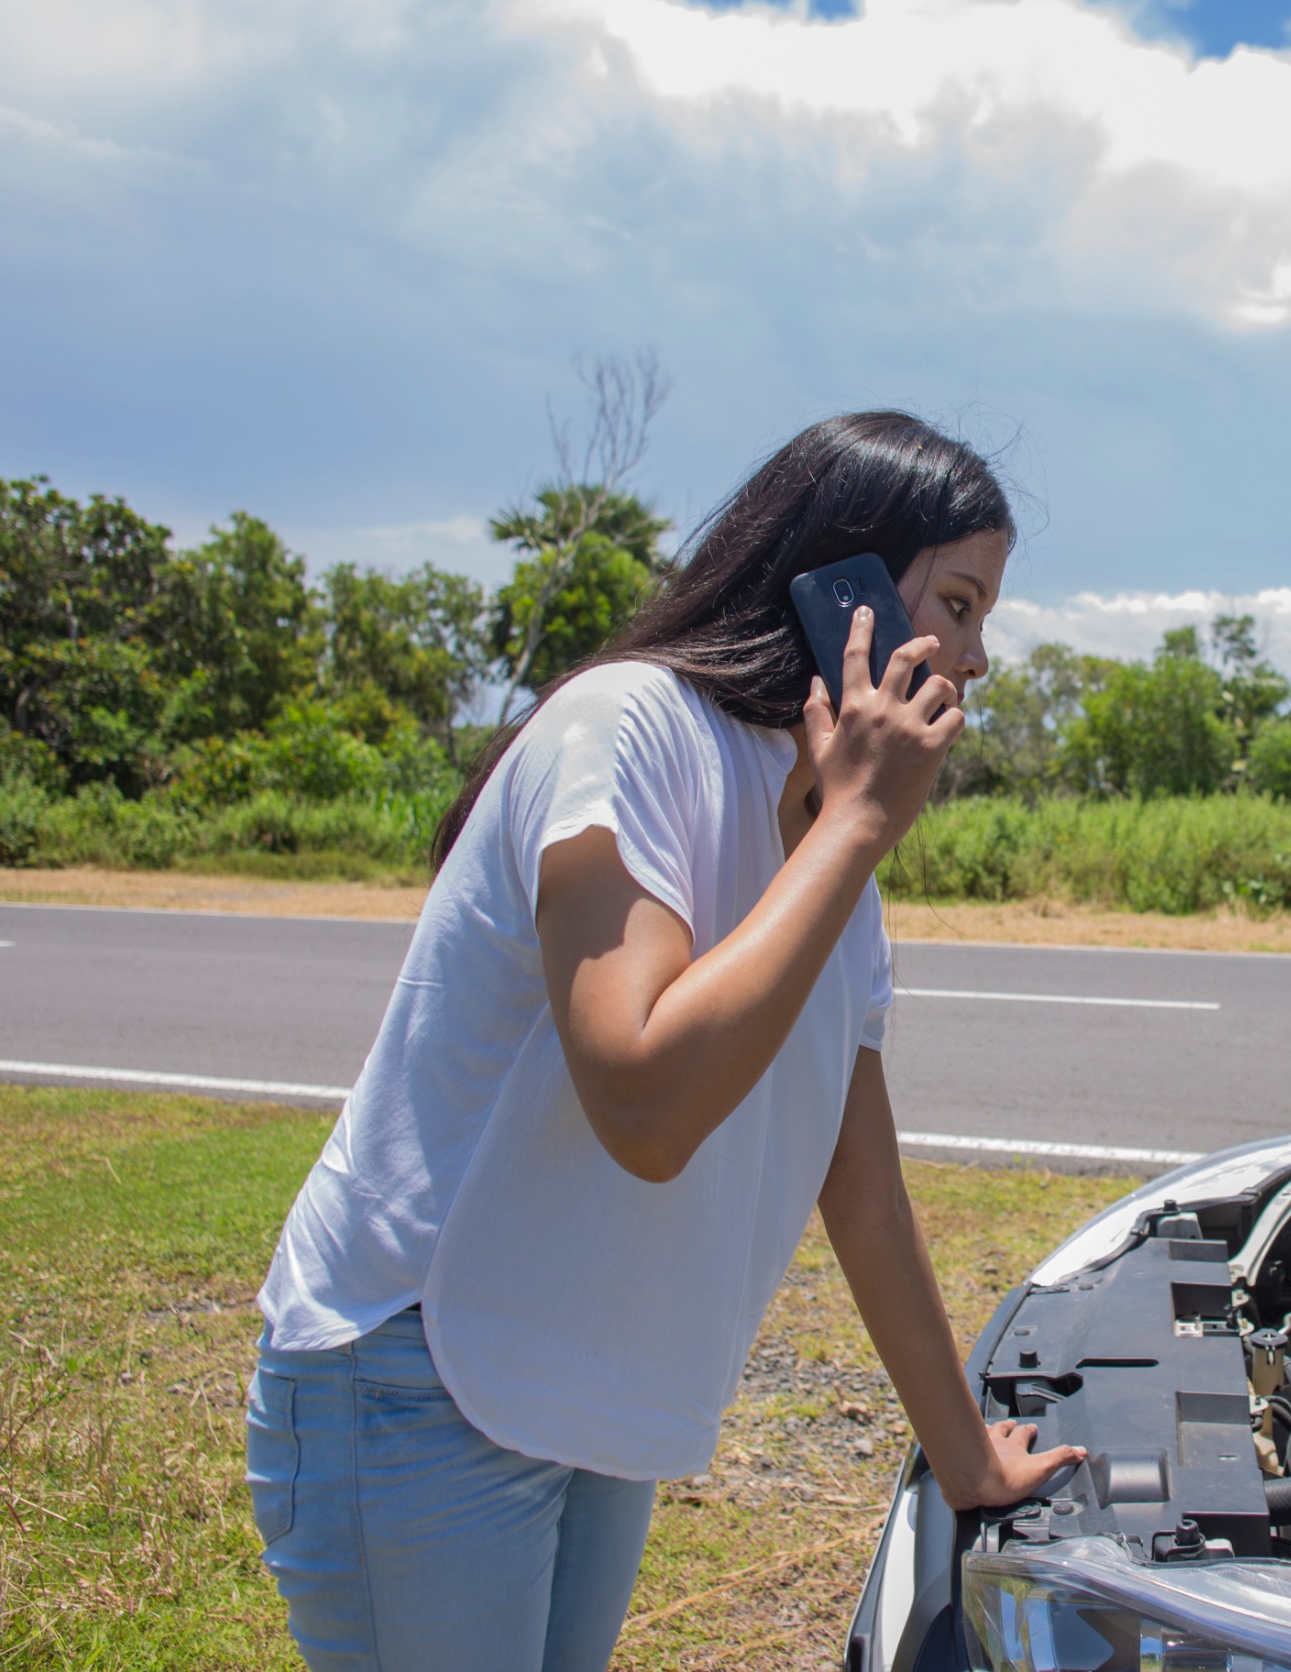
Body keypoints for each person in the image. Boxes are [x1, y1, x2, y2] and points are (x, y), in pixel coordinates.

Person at [243, 412, 1084, 1672]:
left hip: (581, 1386)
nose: (978, 653)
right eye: (958, 604)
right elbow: (643, 1102)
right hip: (421, 1373)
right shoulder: (626, 729)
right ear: (839, 587)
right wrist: (851, 828)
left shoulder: (820, 837)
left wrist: (967, 1457)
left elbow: (858, 1178)